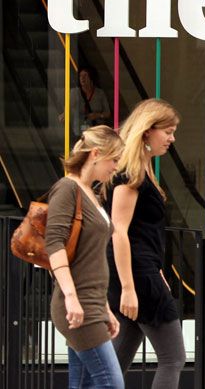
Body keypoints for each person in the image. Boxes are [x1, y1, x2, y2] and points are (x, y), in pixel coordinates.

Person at [107, 99, 185, 388]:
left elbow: (139, 232)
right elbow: (119, 231)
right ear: (147, 131)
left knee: (120, 355)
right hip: (138, 277)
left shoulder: (140, 170)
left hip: (139, 273)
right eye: (168, 131)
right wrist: (129, 287)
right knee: (173, 358)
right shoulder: (132, 175)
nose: (172, 138)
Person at [45, 126, 125, 389]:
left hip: (92, 304)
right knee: (111, 383)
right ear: (95, 154)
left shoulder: (92, 193)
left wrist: (105, 309)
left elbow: (92, 260)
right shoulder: (67, 188)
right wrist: (71, 298)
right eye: (114, 159)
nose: (116, 167)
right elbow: (54, 242)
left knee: (83, 384)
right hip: (77, 306)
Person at [61, 68, 112, 138]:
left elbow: (108, 113)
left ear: (91, 78)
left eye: (85, 75)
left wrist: (98, 115)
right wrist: (64, 115)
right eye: (80, 76)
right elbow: (68, 109)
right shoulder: (74, 92)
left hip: (96, 132)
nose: (82, 78)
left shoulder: (100, 93)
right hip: (79, 131)